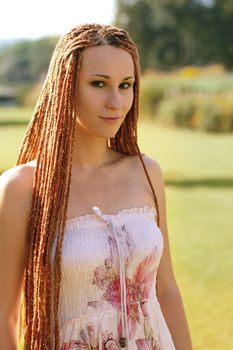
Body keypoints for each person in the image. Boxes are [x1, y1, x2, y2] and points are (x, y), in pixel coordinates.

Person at [0, 24, 192, 350]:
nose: (116, 101)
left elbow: (166, 290)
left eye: (126, 85)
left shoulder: (146, 172)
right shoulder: (22, 188)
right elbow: (5, 315)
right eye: (98, 84)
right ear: (65, 87)